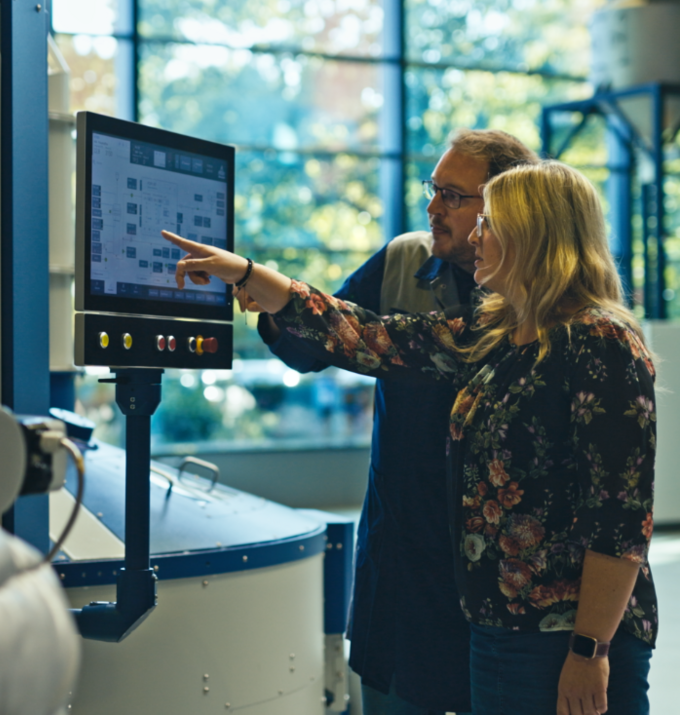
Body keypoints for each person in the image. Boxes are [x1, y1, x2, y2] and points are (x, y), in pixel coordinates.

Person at [161, 159, 657, 715]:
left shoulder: (601, 343)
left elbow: (619, 519)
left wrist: (589, 651)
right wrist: (248, 273)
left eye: (488, 221)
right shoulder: (496, 333)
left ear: (532, 235)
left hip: (563, 635)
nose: (475, 235)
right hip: (497, 628)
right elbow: (368, 335)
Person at [244, 128, 538, 715]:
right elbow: (317, 345)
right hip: (403, 559)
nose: (434, 207)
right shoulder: (407, 260)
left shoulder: (541, 306)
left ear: (507, 207)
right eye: (433, 189)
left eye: (454, 196)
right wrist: (272, 304)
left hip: (499, 574)